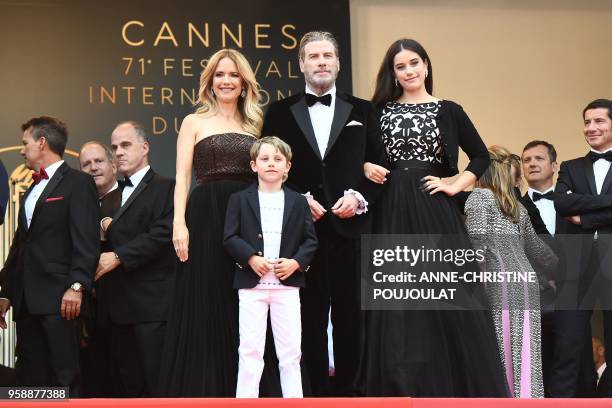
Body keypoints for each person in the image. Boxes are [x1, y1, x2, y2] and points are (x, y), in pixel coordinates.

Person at [360, 38, 507, 396]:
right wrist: (366, 166)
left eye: (414, 63)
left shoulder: (449, 109)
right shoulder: (376, 111)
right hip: (391, 208)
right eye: (400, 66)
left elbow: (480, 156)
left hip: (434, 207)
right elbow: (359, 155)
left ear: (426, 65)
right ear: (392, 73)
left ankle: (451, 387)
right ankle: (402, 387)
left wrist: (456, 185)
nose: (408, 71)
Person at [261, 31, 385, 396]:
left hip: (353, 229)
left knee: (353, 319)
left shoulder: (364, 110)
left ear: (338, 63)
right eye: (313, 56)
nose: (321, 62)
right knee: (305, 320)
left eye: (327, 55)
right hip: (302, 232)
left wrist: (360, 197)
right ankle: (310, 397)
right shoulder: (278, 112)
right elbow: (269, 170)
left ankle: (352, 397)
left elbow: (379, 166)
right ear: (301, 64)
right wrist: (299, 200)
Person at [158, 48, 262, 397]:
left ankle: (246, 388)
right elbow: (182, 177)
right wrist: (179, 224)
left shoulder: (256, 123)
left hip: (248, 215)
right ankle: (206, 388)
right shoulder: (194, 122)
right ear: (210, 82)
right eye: (220, 75)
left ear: (243, 82)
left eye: (233, 75)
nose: (227, 81)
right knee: (205, 295)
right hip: (203, 216)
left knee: (245, 297)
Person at [0, 116, 100, 396]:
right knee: (30, 378)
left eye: (25, 143)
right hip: (27, 303)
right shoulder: (31, 190)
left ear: (42, 143)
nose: (22, 150)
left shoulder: (78, 183)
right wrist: (7, 292)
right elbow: (20, 247)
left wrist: (77, 286)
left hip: (60, 300)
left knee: (64, 377)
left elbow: (86, 241)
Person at [223, 136, 317, 398]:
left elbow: (310, 240)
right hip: (251, 287)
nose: (271, 164)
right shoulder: (239, 199)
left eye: (278, 159)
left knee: (290, 352)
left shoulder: (298, 201)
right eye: (264, 159)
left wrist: (296, 262)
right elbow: (230, 237)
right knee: (250, 350)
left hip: (286, 288)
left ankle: (294, 402)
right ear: (253, 165)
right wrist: (250, 258)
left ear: (288, 167)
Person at [465, 145, 557, 398]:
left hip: (498, 282)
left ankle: (503, 398)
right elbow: (539, 252)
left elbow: (477, 244)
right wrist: (568, 268)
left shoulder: (479, 198)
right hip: (526, 283)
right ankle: (528, 398)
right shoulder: (518, 207)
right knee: (526, 348)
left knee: (501, 344)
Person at [95, 121, 175, 397]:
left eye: (125, 145)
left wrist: (118, 256)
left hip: (152, 308)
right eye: (114, 147)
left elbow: (163, 234)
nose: (118, 152)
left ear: (145, 147)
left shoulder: (168, 188)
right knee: (123, 390)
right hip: (113, 311)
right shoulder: (105, 200)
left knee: (157, 388)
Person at [552, 98, 612, 397]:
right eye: (587, 122)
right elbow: (562, 203)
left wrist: (585, 215)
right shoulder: (571, 167)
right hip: (576, 266)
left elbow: (574, 207)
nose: (591, 128)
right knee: (568, 346)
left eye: (599, 121)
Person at [78, 141, 121, 397]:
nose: (93, 168)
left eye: (99, 161)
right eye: (86, 164)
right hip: (86, 312)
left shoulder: (131, 197)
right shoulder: (77, 203)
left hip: (125, 308)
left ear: (114, 165)